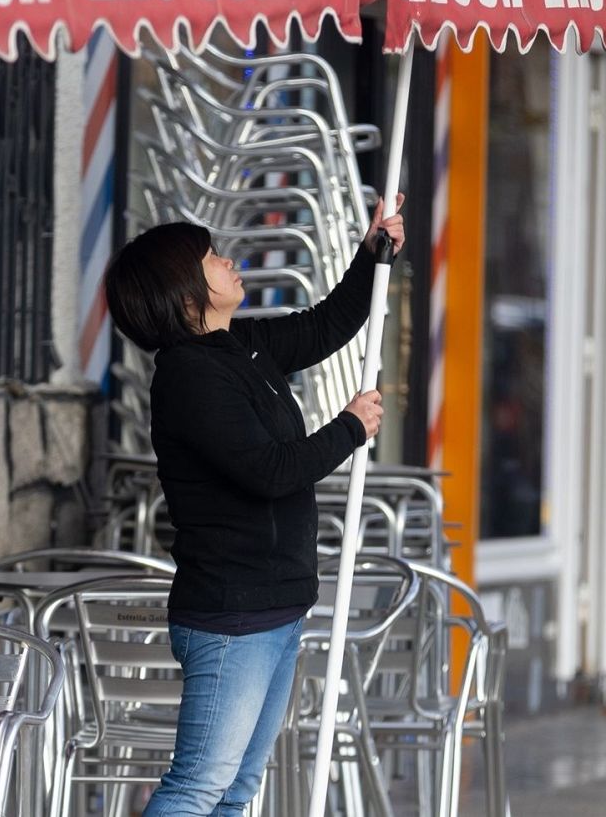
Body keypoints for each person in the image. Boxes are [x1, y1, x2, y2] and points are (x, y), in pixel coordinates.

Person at [103, 199, 405, 816]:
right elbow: (268, 471)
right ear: (184, 294)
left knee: (235, 791)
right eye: (211, 257)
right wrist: (348, 427)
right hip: (231, 618)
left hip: (278, 607)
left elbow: (326, 326)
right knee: (197, 789)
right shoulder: (189, 377)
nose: (228, 260)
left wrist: (370, 255)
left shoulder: (244, 346)